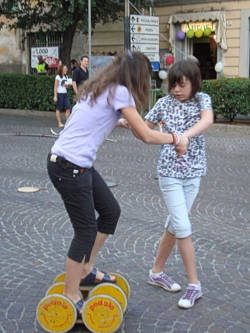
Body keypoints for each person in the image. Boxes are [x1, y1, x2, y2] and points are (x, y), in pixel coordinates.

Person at [47, 51, 188, 314]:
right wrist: (176, 139)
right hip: (69, 166)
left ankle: (87, 269)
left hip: (73, 164)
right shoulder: (120, 92)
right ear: (136, 75)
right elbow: (146, 135)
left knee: (111, 212)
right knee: (85, 230)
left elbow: (98, 119)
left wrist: (121, 121)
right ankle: (70, 291)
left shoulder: (100, 88)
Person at [145, 59, 213, 309]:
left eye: (181, 85)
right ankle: (195, 285)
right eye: (173, 84)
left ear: (194, 84)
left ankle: (156, 272)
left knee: (174, 224)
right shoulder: (163, 103)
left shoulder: (202, 99)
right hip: (169, 173)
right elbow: (145, 128)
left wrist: (184, 136)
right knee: (182, 226)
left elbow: (207, 121)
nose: (176, 89)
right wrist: (123, 120)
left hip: (194, 173)